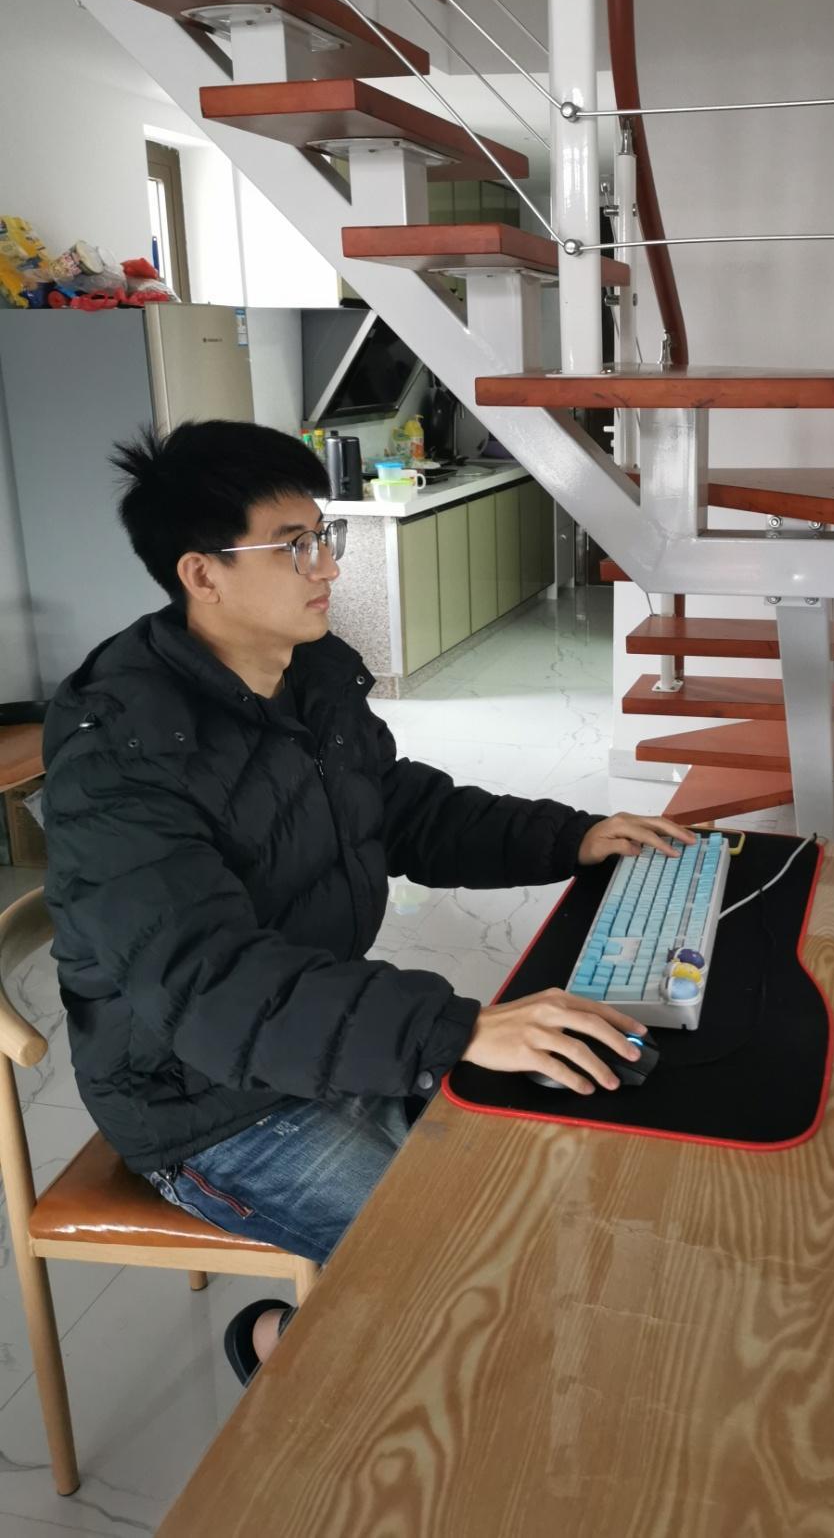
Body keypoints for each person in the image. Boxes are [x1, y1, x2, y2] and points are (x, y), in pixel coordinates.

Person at [39, 421, 693, 1381]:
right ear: (202, 574)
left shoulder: (303, 674)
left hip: (314, 1032)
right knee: (479, 1262)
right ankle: (277, 1344)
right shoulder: (120, 756)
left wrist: (572, 836)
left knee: (548, 1172)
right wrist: (458, 1029)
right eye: (294, 545)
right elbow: (216, 990)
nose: (328, 567)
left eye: (324, 535)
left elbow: (396, 806)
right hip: (202, 1103)